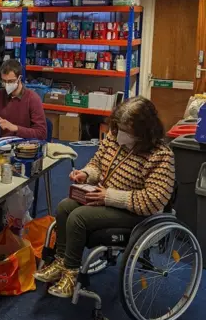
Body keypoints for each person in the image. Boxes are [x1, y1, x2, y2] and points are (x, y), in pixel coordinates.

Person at [34, 96, 175, 298]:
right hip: (105, 197)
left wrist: (109, 196)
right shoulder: (114, 137)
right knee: (65, 207)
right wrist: (86, 174)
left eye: (126, 131)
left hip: (136, 212)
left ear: (144, 131)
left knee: (79, 217)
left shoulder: (161, 155)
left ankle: (71, 275)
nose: (119, 135)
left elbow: (153, 200)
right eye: (118, 128)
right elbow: (97, 164)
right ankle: (61, 262)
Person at [0, 59, 47, 140]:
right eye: (4, 81)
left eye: (11, 81)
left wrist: (15, 128)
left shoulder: (32, 98)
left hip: (26, 147)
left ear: (19, 78)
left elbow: (41, 133)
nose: (7, 85)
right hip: (4, 145)